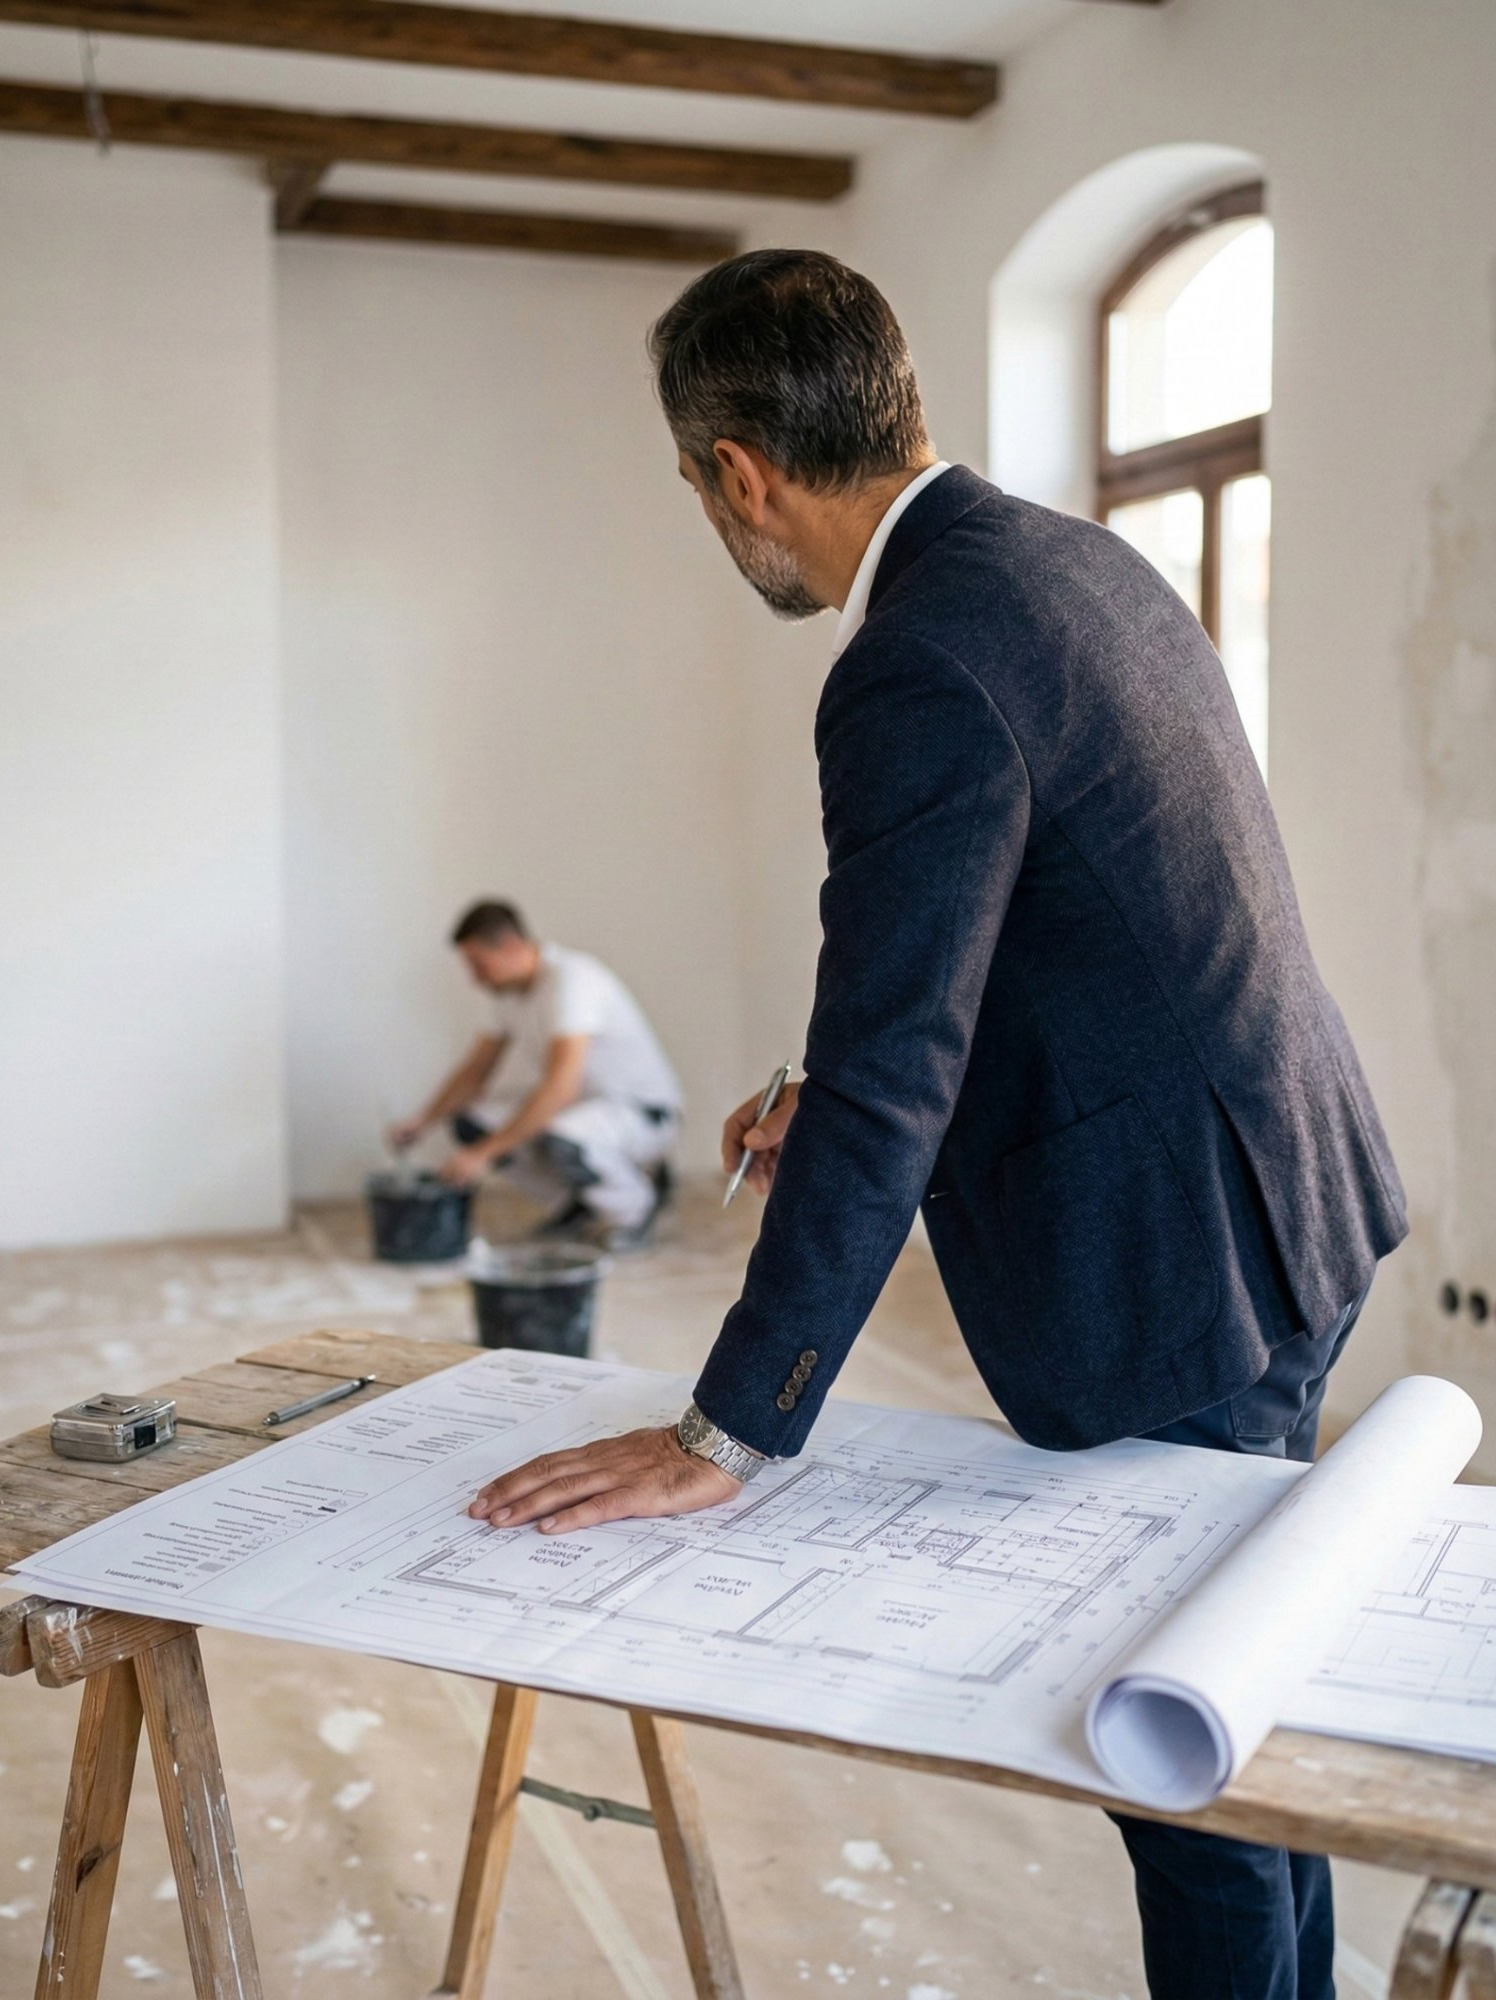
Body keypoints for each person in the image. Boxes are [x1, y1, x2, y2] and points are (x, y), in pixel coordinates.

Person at [467, 251, 1408, 2000]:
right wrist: (841, 1076)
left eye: (697, 488)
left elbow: (907, 1059)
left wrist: (729, 1430)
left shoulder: (913, 663)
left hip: (1182, 1260)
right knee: (1242, 1702)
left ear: (736, 471)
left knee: (1178, 1752)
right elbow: (1085, 914)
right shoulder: (1071, 561)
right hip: (1297, 1189)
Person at [389, 900, 682, 1248]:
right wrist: (424, 1121)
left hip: (641, 1113)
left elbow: (560, 1089)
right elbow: (475, 1071)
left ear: (511, 946)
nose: (474, 979)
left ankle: (635, 1209)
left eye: (479, 965)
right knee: (473, 1123)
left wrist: (484, 1154)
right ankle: (575, 1206)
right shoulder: (508, 996)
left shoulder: (573, 981)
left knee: (566, 1138)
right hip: (582, 1109)